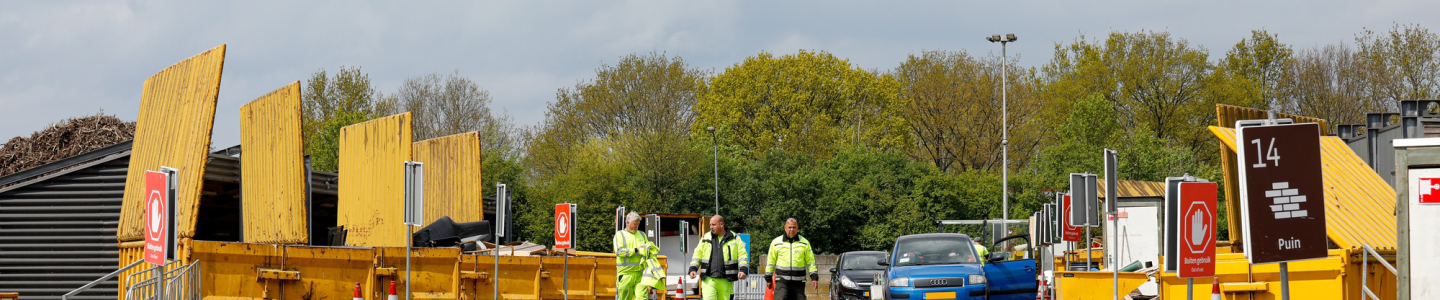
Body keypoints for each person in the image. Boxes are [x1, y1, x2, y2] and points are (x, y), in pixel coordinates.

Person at [689, 215, 748, 300]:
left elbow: (742, 255)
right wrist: (693, 268)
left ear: (721, 224)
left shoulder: (734, 238)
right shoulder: (705, 238)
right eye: (710, 225)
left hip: (726, 281)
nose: (711, 227)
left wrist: (743, 270)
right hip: (708, 280)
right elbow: (697, 254)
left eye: (713, 225)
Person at [765, 218, 818, 300]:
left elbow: (810, 261)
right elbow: (771, 261)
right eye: (789, 227)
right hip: (782, 280)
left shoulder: (804, 243)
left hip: (799, 282)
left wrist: (814, 277)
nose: (792, 229)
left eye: (794, 227)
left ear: (797, 228)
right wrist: (768, 278)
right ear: (785, 228)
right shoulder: (776, 242)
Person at [614, 212, 651, 300]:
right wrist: (635, 250)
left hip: (640, 274)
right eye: (635, 224)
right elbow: (619, 252)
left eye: (638, 224)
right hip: (625, 274)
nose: (637, 226)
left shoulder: (642, 235)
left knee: (642, 298)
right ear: (627, 222)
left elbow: (647, 250)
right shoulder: (620, 235)